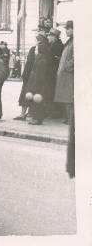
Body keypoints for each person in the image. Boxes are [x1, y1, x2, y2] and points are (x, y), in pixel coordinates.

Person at [53, 21, 74, 177]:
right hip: (66, 79)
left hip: (70, 80)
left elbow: (76, 59)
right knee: (67, 104)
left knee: (70, 104)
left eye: (68, 28)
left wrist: (67, 67)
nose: (66, 30)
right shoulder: (70, 41)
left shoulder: (76, 41)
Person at [24, 33, 54, 125]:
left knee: (38, 102)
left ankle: (37, 119)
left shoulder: (42, 60)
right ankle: (35, 118)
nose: (35, 50)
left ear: (41, 49)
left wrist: (35, 86)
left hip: (38, 85)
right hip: (36, 84)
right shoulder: (40, 58)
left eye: (37, 48)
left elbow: (39, 75)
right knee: (35, 102)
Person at [46, 28, 65, 120]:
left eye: (49, 36)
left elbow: (55, 59)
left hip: (54, 73)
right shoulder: (54, 44)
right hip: (52, 72)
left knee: (53, 92)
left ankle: (55, 113)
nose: (48, 37)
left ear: (54, 37)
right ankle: (53, 112)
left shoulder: (57, 45)